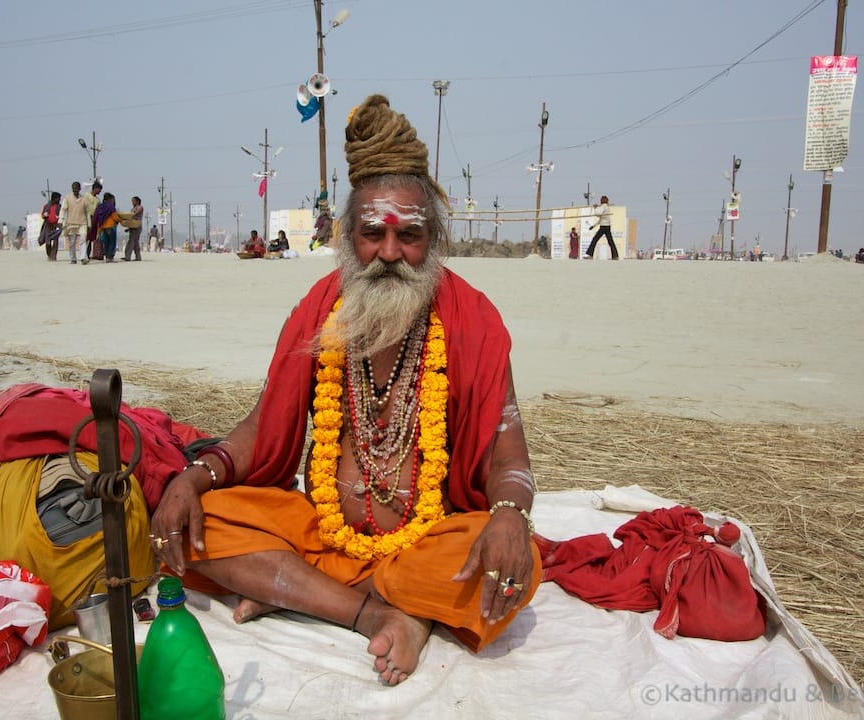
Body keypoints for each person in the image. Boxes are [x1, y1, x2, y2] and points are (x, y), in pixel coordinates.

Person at [151, 94, 540, 686]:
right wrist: (191, 476)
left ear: (432, 237)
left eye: (408, 235)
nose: (390, 254)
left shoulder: (473, 319)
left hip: (425, 542)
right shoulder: (320, 308)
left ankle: (299, 591)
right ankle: (380, 614)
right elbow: (261, 429)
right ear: (346, 235)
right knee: (204, 517)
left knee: (521, 563)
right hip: (325, 530)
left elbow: (509, 452)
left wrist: (511, 512)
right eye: (371, 234)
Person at [59, 181, 92, 264]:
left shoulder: (84, 199)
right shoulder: (67, 198)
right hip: (71, 223)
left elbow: (87, 212)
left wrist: (89, 224)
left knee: (83, 239)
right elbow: (63, 210)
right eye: (74, 189)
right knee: (72, 242)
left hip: (82, 222)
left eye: (77, 188)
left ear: (80, 189)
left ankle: (83, 257)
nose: (75, 190)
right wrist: (60, 220)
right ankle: (73, 258)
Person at [584, 195, 618, 260]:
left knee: (595, 240)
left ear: (601, 201)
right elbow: (601, 219)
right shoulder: (607, 207)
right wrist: (593, 226)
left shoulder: (603, 206)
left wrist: (595, 208)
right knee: (610, 241)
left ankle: (590, 254)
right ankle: (615, 256)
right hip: (607, 226)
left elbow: (598, 214)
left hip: (603, 227)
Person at [93, 191, 121, 262]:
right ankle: (110, 257)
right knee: (112, 242)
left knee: (106, 242)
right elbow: (115, 217)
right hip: (111, 226)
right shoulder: (111, 206)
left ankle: (107, 256)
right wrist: (121, 220)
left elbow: (96, 217)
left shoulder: (100, 206)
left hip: (102, 227)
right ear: (109, 199)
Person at [41, 191, 63, 261]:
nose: (59, 200)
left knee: (55, 241)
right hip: (48, 225)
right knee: (48, 241)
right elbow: (42, 215)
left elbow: (62, 215)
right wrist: (45, 215)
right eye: (58, 198)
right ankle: (49, 254)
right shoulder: (46, 206)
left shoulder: (59, 207)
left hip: (56, 225)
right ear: (55, 198)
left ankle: (53, 256)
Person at [85, 181, 104, 261]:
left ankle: (88, 254)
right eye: (99, 189)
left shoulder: (98, 200)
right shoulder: (86, 196)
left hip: (94, 219)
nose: (100, 191)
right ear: (95, 188)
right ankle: (85, 254)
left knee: (90, 237)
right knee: (85, 237)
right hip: (86, 217)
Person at [122, 196, 144, 261]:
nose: (132, 202)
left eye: (133, 201)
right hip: (132, 227)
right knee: (135, 243)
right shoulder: (132, 209)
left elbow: (134, 215)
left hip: (137, 227)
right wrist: (128, 228)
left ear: (137, 201)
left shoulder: (140, 207)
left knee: (131, 242)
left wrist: (126, 216)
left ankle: (127, 256)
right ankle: (138, 257)